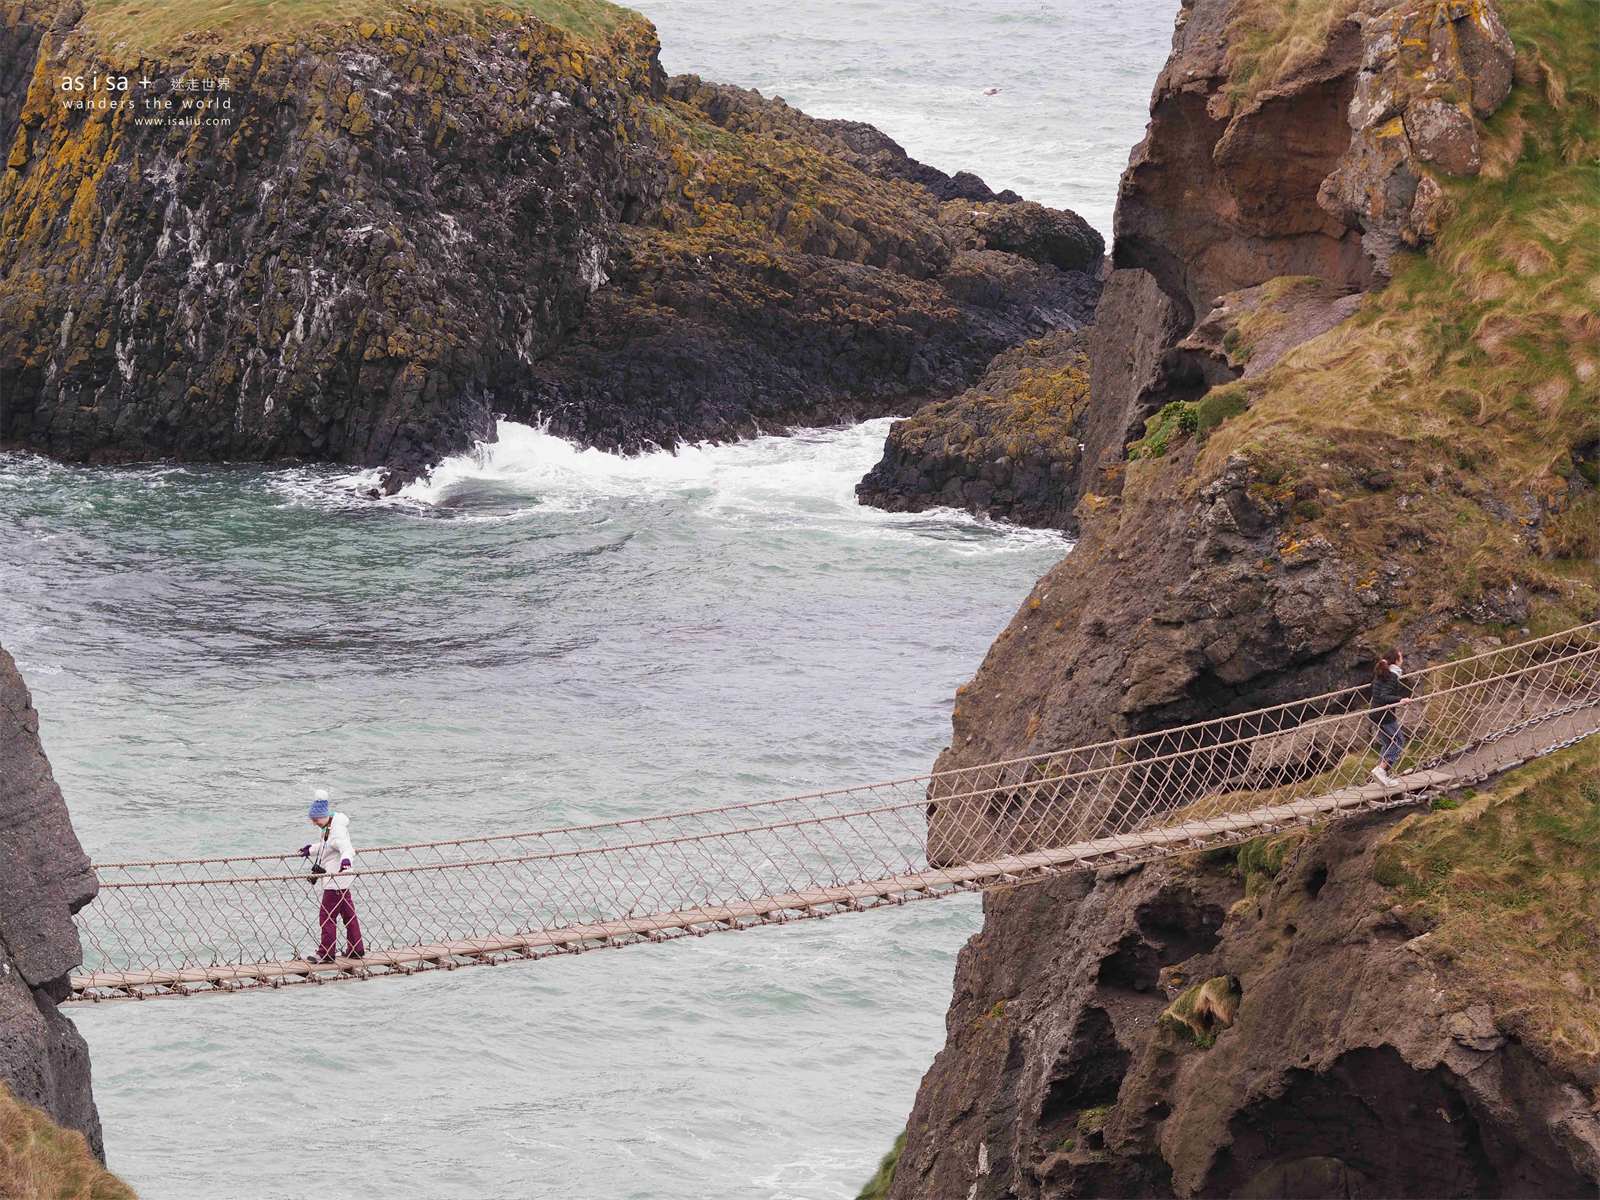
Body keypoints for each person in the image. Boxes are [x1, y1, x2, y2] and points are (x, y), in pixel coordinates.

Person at [299, 790, 365, 963]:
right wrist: (311, 849)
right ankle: (356, 949)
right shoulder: (329, 827)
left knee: (327, 916)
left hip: (335, 880)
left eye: (315, 820)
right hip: (342, 880)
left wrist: (346, 861)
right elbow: (328, 847)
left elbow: (345, 848)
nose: (314, 823)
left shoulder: (337, 831)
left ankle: (326, 953)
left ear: (324, 815)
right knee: (348, 915)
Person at [1368, 648, 1412, 786]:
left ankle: (1381, 776)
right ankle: (1381, 770)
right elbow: (1384, 696)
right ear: (1396, 661)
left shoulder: (1381, 672)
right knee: (1398, 742)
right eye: (1401, 658)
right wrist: (1401, 700)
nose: (1402, 661)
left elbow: (1376, 689)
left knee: (1388, 744)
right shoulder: (1392, 675)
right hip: (1385, 716)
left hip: (1375, 713)